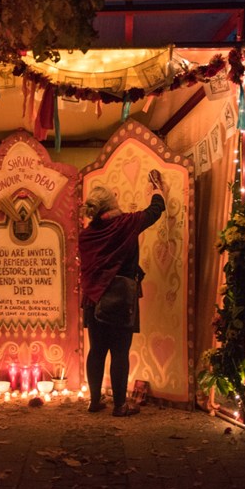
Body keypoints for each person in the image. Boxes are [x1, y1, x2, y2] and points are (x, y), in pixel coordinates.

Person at [78, 170, 166, 417]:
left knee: (96, 350)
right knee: (119, 351)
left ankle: (94, 401)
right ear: (112, 204)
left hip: (93, 300)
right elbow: (155, 210)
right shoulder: (125, 224)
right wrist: (156, 189)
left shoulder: (87, 236)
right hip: (120, 297)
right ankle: (120, 405)